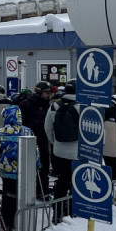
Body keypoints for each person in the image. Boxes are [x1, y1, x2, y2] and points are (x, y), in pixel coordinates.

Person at [0, 104, 38, 231]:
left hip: (6, 171)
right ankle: (21, 225)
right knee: (21, 197)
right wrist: (37, 165)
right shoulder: (27, 131)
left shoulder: (0, 131)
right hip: (24, 170)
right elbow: (36, 150)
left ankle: (6, 223)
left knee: (7, 197)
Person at [44, 81, 79, 222]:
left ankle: (57, 213)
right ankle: (72, 213)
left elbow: (48, 128)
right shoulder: (83, 106)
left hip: (59, 153)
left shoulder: (55, 105)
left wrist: (55, 143)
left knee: (62, 181)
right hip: (78, 152)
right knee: (76, 183)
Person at [19, 82, 54, 192]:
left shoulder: (47, 104)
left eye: (50, 93)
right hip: (29, 138)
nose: (49, 95)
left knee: (44, 166)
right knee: (28, 165)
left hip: (42, 138)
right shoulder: (27, 104)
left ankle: (42, 189)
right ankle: (27, 190)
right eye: (47, 92)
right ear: (39, 92)